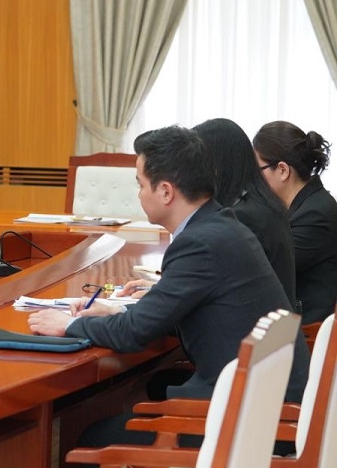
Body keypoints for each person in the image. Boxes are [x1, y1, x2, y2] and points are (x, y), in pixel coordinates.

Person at [29, 127, 308, 447]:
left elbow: (133, 333)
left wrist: (69, 325)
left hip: (249, 422)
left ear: (165, 192)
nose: (138, 195)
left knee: (94, 440)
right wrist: (116, 312)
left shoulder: (199, 243)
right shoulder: (222, 225)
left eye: (140, 184)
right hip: (271, 407)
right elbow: (182, 312)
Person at [193, 117, 296, 308]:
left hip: (261, 325)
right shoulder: (260, 203)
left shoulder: (244, 216)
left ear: (217, 165)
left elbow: (219, 287)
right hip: (275, 322)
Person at [253, 120, 337, 324]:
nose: (253, 180)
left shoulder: (317, 213)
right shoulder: (299, 205)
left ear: (282, 170)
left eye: (256, 171)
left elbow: (268, 267)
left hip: (307, 328)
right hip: (288, 320)